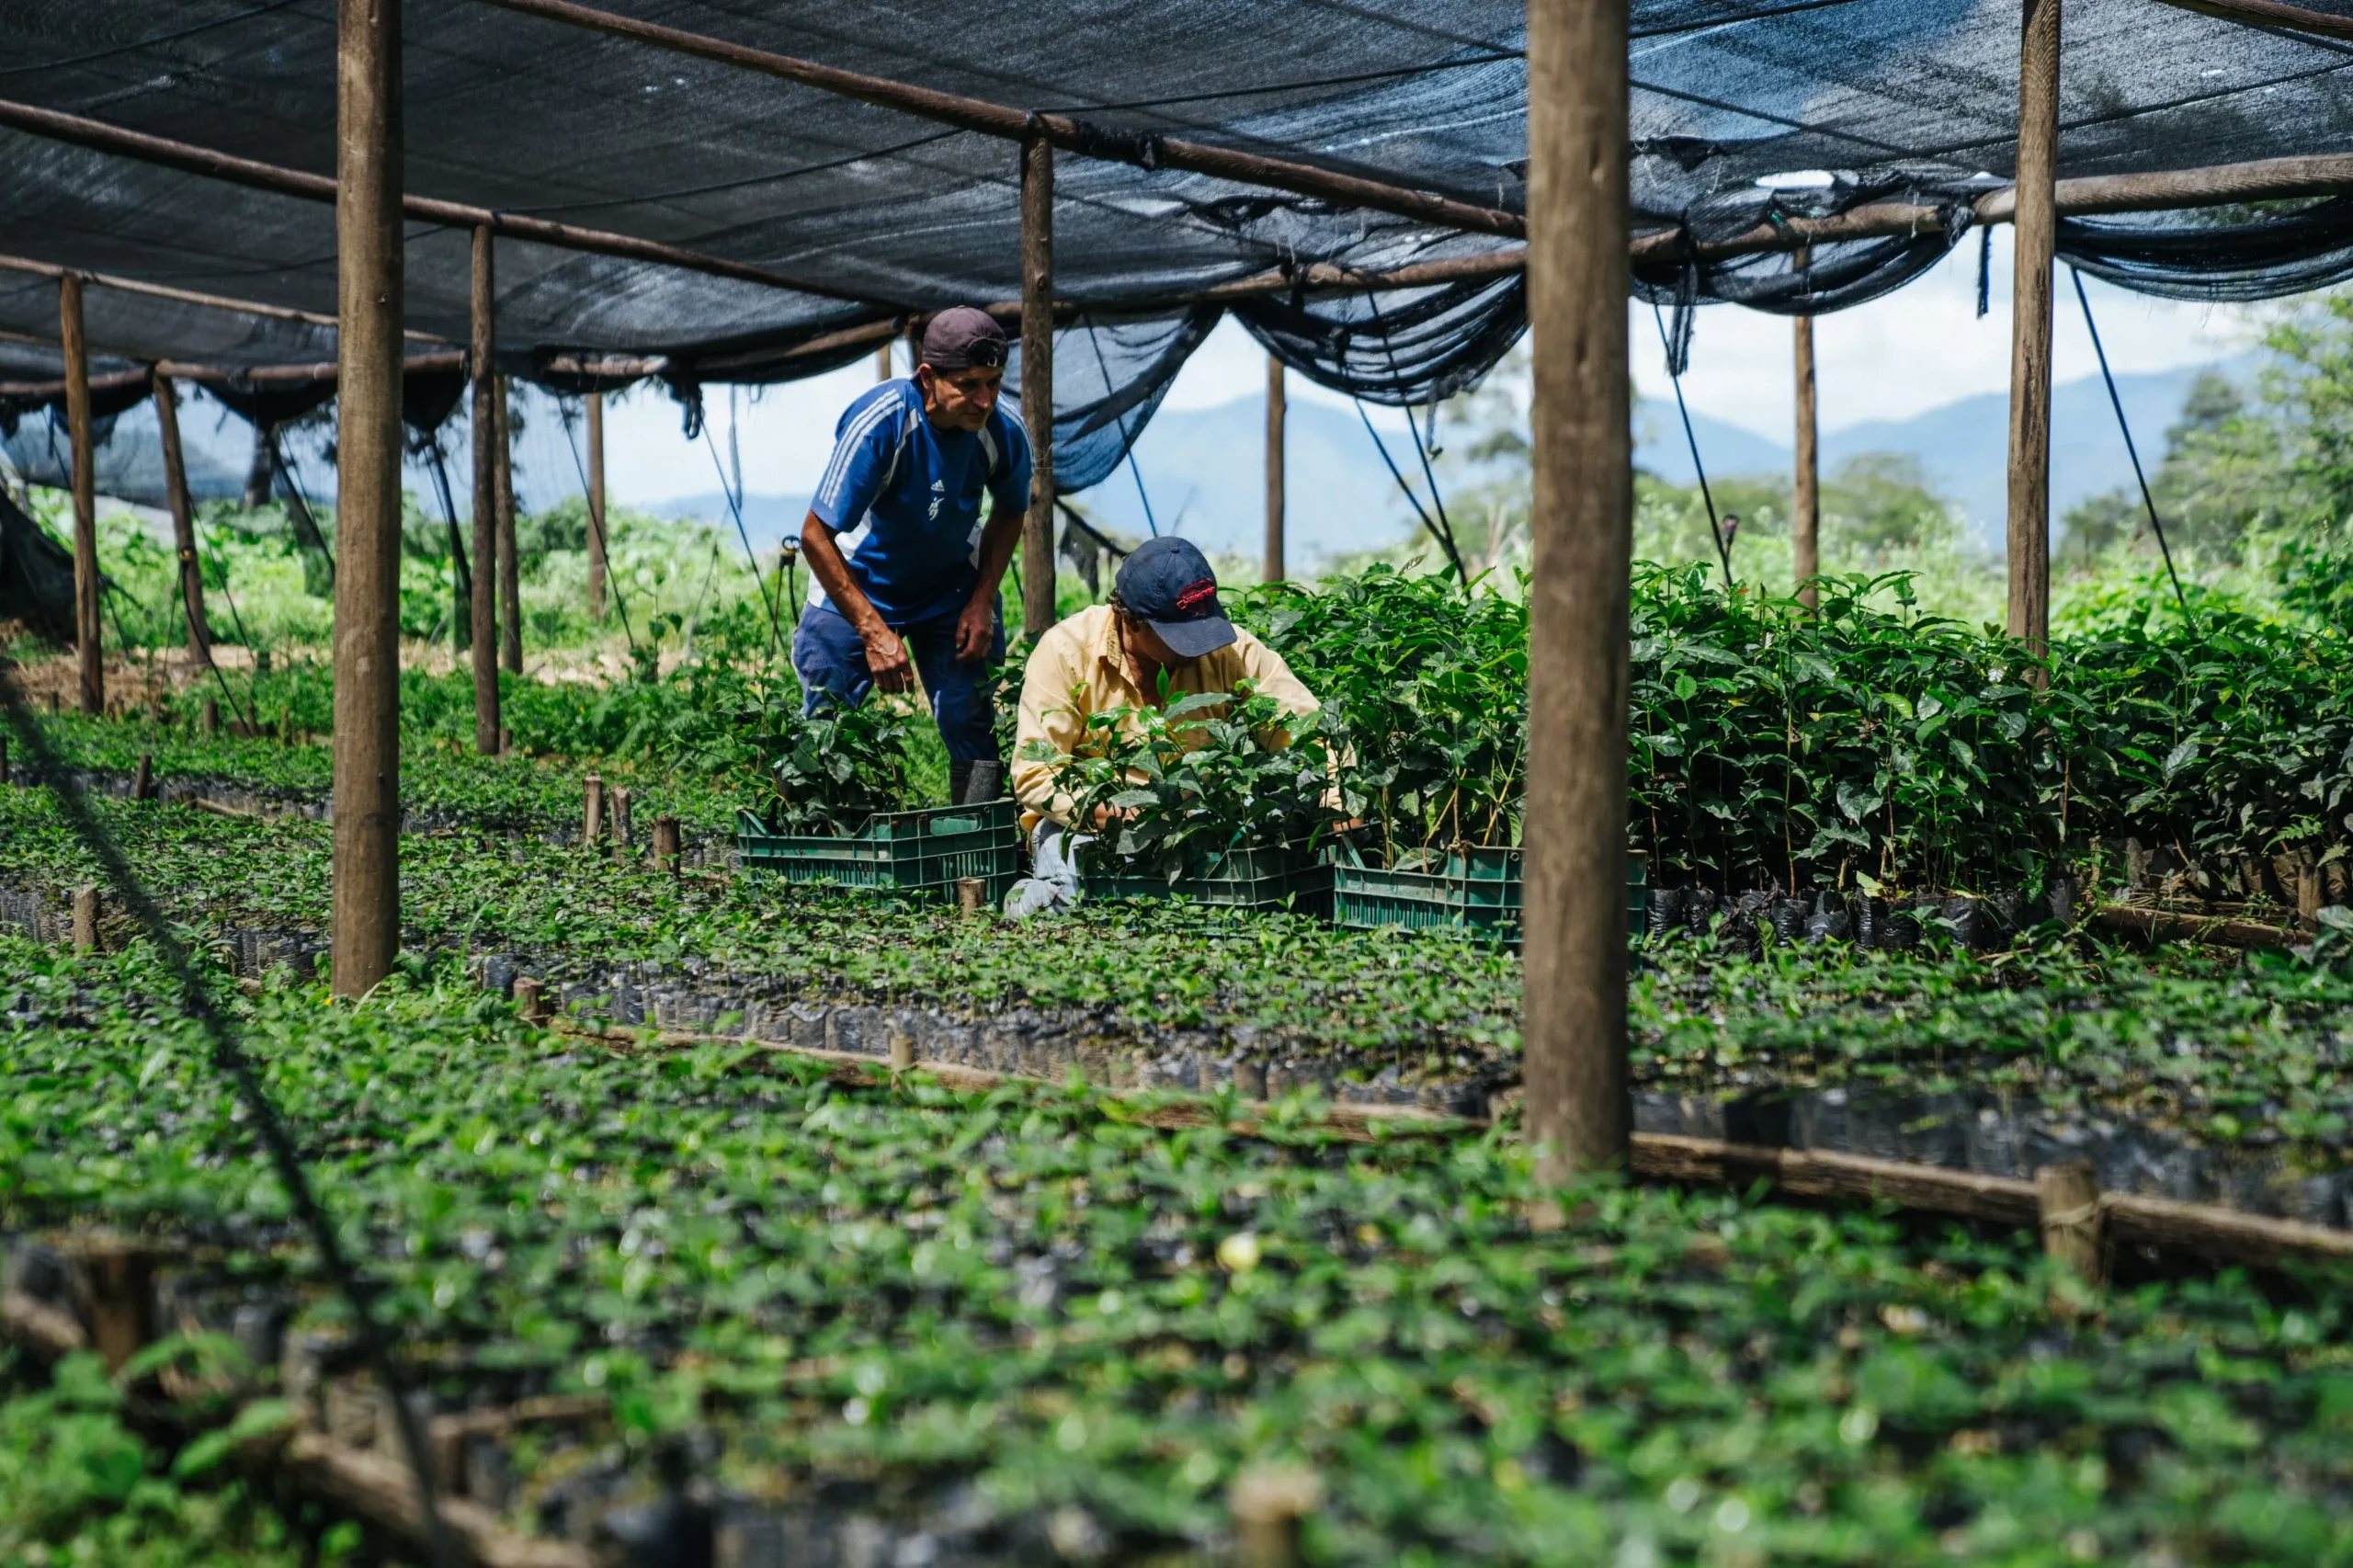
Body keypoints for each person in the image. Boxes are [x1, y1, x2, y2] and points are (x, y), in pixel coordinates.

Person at [1006, 537, 1324, 914]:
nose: (1199, 647)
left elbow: (1310, 729)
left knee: (1265, 872)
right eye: (1180, 637)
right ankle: (1031, 896)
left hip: (1203, 823)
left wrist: (1337, 803)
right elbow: (1035, 774)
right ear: (1132, 620)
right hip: (1089, 827)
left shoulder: (1229, 650)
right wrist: (1128, 817)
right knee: (1076, 901)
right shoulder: (1066, 652)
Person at [793, 307, 1031, 804]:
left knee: (972, 717)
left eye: (994, 382)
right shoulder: (881, 423)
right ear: (928, 377)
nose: (984, 399)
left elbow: (1011, 511)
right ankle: (824, 843)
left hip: (951, 587)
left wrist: (982, 599)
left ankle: (978, 844)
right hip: (859, 581)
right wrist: (873, 630)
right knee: (828, 722)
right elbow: (816, 535)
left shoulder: (1004, 430)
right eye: (968, 384)